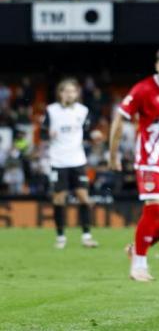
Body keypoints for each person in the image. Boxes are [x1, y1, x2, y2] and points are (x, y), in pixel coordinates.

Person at [109, 45, 159, 282]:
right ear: (157, 66)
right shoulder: (143, 89)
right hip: (149, 160)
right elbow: (119, 119)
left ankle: (137, 247)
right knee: (154, 207)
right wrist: (113, 155)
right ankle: (139, 265)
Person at [42, 78, 98, 249]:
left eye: (72, 91)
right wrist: (47, 134)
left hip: (77, 160)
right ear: (60, 93)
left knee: (83, 197)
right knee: (59, 198)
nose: (69, 94)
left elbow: (88, 130)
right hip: (58, 161)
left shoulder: (83, 111)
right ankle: (61, 237)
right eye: (66, 91)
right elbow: (43, 134)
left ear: (77, 93)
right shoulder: (51, 111)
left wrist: (94, 134)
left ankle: (86, 236)